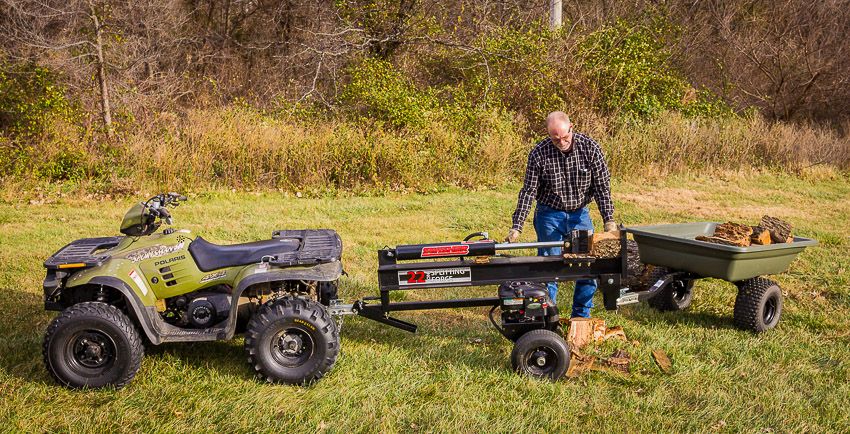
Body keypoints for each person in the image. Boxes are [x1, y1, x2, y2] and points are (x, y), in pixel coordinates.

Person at [505, 111, 617, 318]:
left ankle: (581, 316)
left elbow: (602, 186)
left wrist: (608, 219)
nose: (561, 142)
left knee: (587, 266)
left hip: (579, 213)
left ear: (571, 128)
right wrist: (517, 226)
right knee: (549, 268)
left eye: (565, 137)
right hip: (549, 215)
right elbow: (528, 191)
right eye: (555, 138)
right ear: (548, 134)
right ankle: (549, 315)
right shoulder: (539, 153)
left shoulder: (590, 148)